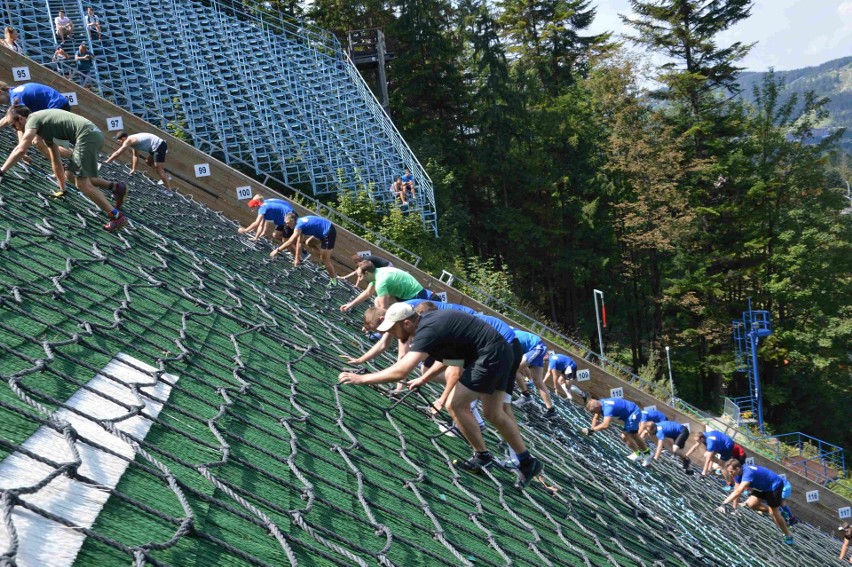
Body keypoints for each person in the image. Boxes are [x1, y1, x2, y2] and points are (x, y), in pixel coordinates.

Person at [337, 303, 543, 487]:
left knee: (456, 405)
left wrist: (361, 379)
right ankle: (527, 462)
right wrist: (424, 379)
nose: (390, 332)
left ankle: (482, 456)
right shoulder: (429, 324)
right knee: (493, 413)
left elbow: (401, 371)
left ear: (407, 323)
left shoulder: (428, 329)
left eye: (393, 327)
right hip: (499, 353)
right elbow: (449, 359)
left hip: (491, 355)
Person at [0, 107, 128, 232]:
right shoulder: (45, 128)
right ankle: (116, 188)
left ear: (21, 118)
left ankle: (117, 217)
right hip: (91, 136)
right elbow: (55, 160)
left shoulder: (33, 120)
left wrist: (2, 170)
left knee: (82, 183)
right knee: (71, 176)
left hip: (87, 137)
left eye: (13, 125)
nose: (14, 129)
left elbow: (21, 149)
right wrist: (62, 188)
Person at [718, 461, 794, 545]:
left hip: (773, 486)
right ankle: (779, 512)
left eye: (731, 472)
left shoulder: (748, 473)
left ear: (737, 468)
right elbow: (736, 490)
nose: (730, 474)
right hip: (763, 486)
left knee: (774, 513)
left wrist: (724, 504)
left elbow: (739, 491)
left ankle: (788, 535)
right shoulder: (737, 474)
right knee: (752, 504)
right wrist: (734, 508)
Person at [581, 397, 652, 466]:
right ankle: (647, 454)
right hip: (629, 413)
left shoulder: (608, 408)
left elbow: (606, 425)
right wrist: (592, 430)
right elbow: (596, 418)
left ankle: (637, 454)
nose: (593, 413)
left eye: (593, 411)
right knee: (634, 435)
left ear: (597, 408)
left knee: (624, 435)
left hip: (633, 413)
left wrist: (592, 430)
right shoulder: (599, 403)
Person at [270, 213, 337, 282]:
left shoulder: (299, 225)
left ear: (292, 221)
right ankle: (324, 264)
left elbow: (290, 242)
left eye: (287, 223)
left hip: (328, 232)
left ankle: (334, 282)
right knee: (309, 243)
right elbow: (299, 243)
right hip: (321, 232)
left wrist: (277, 250)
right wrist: (297, 258)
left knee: (325, 260)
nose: (286, 225)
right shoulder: (299, 224)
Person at [339, 263, 433, 311]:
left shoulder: (381, 282)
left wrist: (377, 325)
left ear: (367, 273)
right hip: (408, 294)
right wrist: (350, 304)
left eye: (360, 276)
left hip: (417, 296)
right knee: (377, 301)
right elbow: (367, 293)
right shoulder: (377, 273)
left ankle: (384, 333)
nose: (360, 279)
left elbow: (383, 309)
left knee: (392, 312)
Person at [105, 131, 172, 191]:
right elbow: (135, 156)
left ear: (123, 138)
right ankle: (166, 175)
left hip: (159, 145)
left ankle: (169, 190)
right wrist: (133, 169)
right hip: (155, 147)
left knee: (158, 168)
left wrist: (108, 161)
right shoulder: (133, 142)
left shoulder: (129, 140)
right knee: (148, 162)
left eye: (119, 140)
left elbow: (118, 153)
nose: (119, 142)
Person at [510, 330, 555, 418]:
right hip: (537, 347)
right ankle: (551, 410)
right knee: (538, 381)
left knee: (513, 369)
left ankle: (526, 395)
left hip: (536, 348)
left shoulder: (503, 335)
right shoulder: (507, 331)